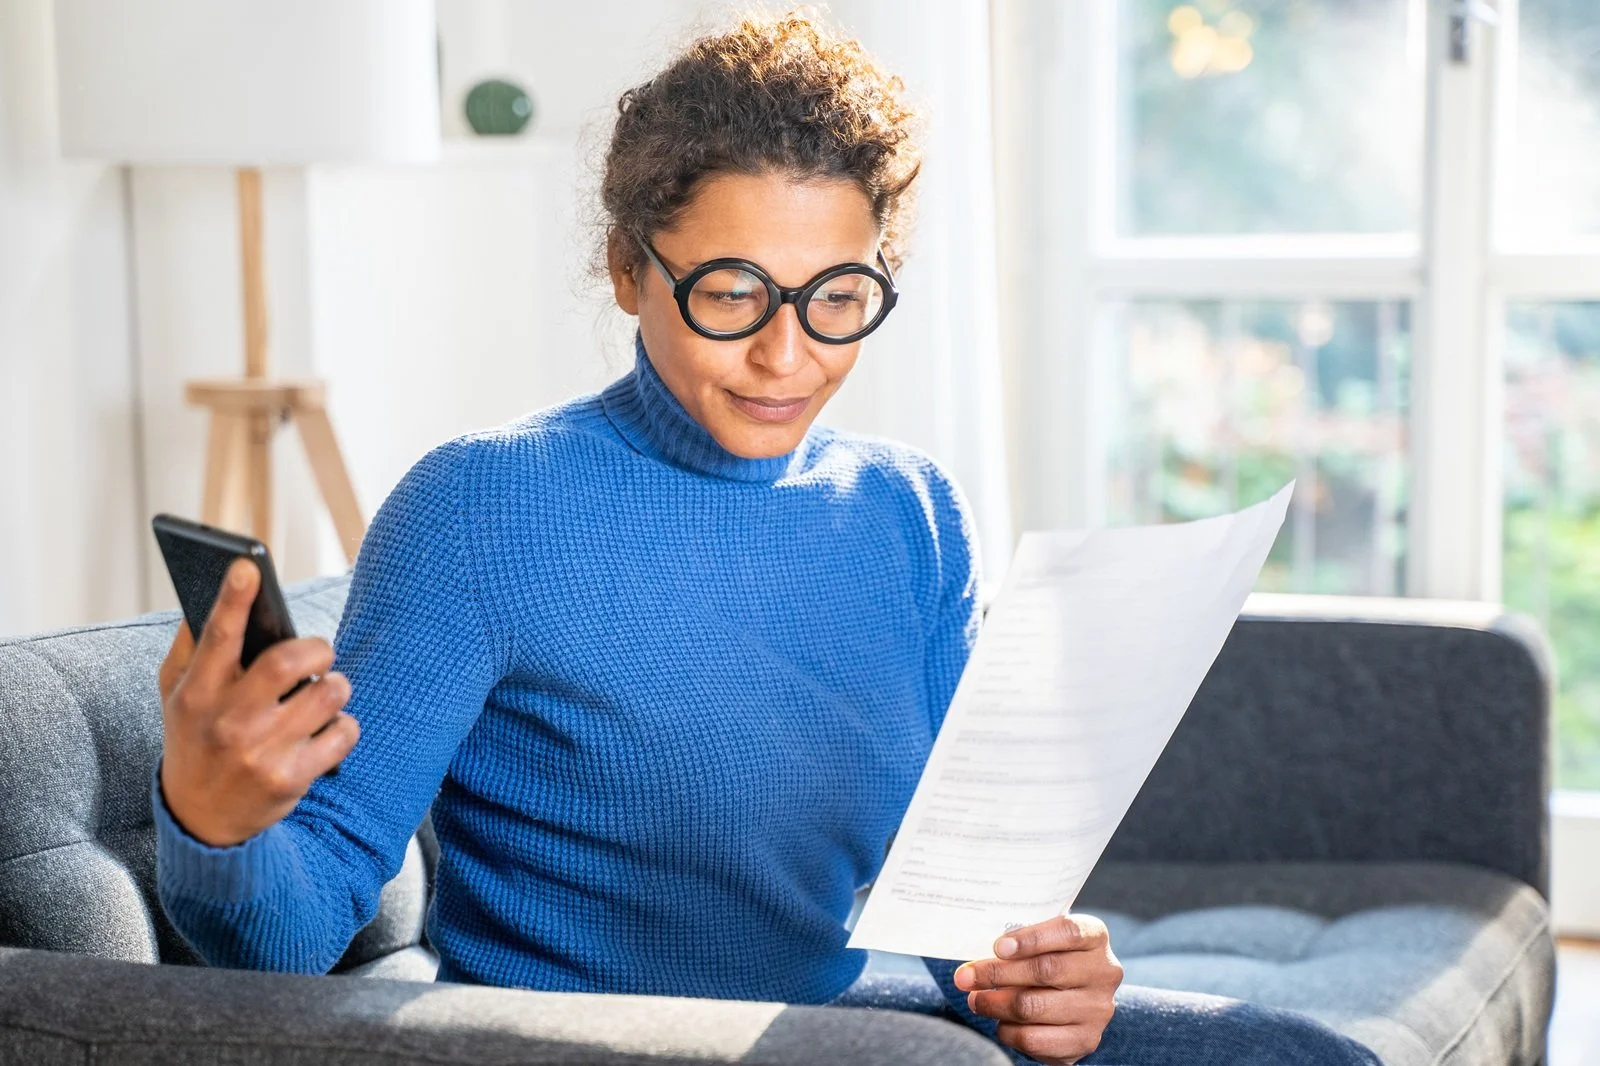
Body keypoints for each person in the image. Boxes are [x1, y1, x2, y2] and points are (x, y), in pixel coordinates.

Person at [152, 14, 1379, 1066]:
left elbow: (954, 910)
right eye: (730, 294)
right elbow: (287, 940)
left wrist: (1029, 974)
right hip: (579, 1043)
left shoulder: (911, 513)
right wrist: (213, 820)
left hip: (830, 1029)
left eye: (837, 299)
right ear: (631, 269)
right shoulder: (481, 508)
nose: (786, 357)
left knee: (1305, 1051)